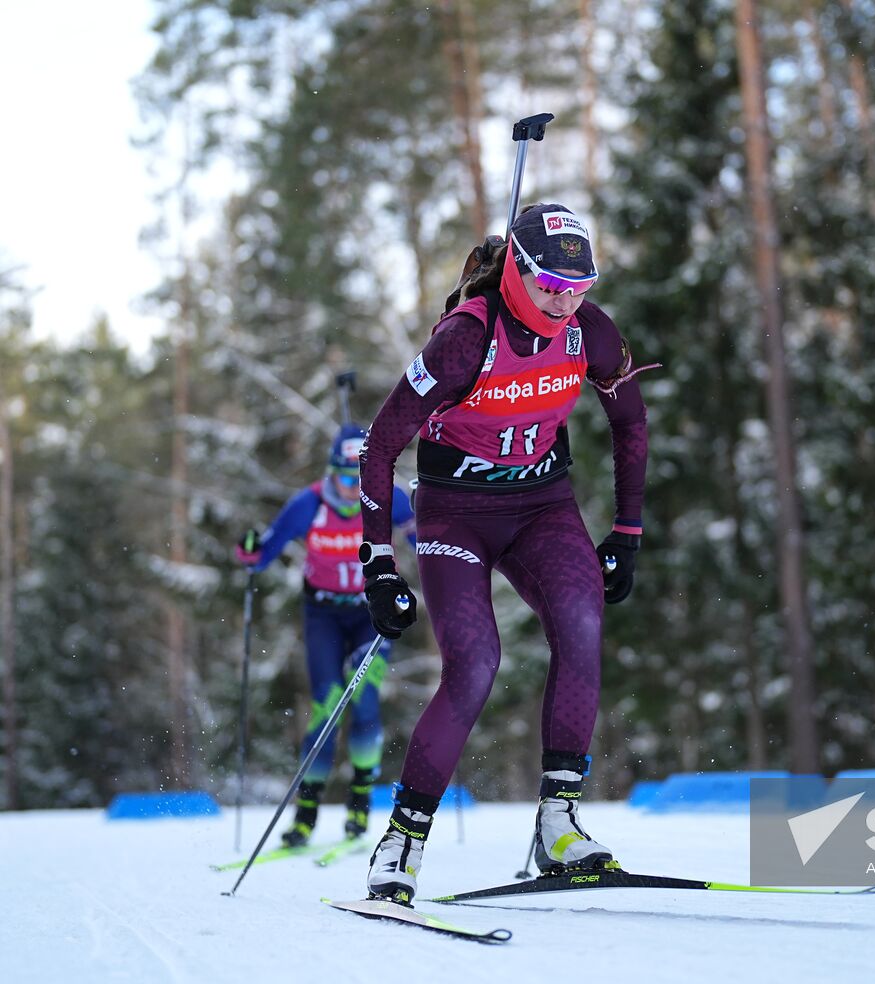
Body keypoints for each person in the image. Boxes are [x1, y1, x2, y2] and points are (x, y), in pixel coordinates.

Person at [356, 203, 656, 903]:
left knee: (582, 626)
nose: (564, 299)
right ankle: (402, 840)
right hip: (455, 511)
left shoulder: (591, 332)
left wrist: (628, 533)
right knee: (475, 664)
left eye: (578, 285)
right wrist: (377, 563)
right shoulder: (466, 339)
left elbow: (631, 427)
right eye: (549, 282)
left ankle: (559, 824)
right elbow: (380, 443)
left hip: (542, 507)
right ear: (517, 271)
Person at [236, 423, 416, 846]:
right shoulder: (309, 504)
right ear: (331, 472)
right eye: (346, 477)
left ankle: (358, 809)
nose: (355, 487)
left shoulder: (387, 497)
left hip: (372, 615)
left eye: (361, 477)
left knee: (366, 703)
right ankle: (305, 816)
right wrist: (249, 551)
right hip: (323, 614)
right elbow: (262, 554)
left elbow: (423, 536)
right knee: (327, 704)